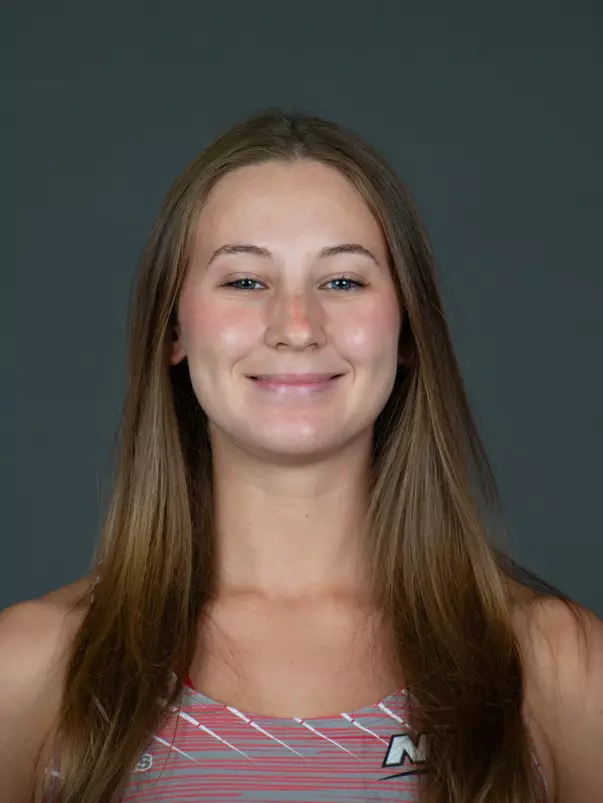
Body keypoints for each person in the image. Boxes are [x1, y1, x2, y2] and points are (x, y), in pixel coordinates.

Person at [1, 108, 602, 803]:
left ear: (407, 329)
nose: (296, 326)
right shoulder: (32, 669)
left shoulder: (559, 669)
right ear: (174, 330)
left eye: (343, 281)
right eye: (244, 281)